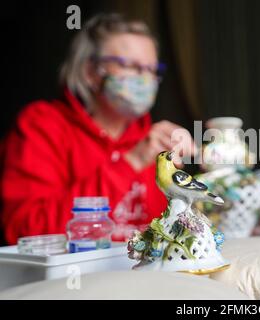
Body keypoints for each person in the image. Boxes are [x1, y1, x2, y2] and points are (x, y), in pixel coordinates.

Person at [0, 13, 196, 244]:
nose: (145, 79)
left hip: (145, 278)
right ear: (91, 72)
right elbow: (26, 231)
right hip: (75, 279)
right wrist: (130, 163)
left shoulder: (152, 139)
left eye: (152, 70)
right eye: (131, 66)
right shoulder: (41, 125)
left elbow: (174, 236)